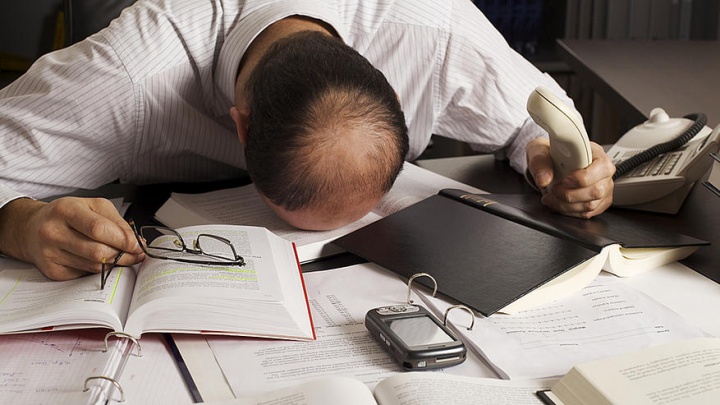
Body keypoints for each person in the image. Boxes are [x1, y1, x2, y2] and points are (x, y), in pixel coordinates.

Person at [0, 0, 615, 282]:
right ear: (241, 127)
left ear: (392, 92)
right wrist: (22, 225)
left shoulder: (430, 28)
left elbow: (536, 120)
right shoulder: (127, 75)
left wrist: (553, 161)